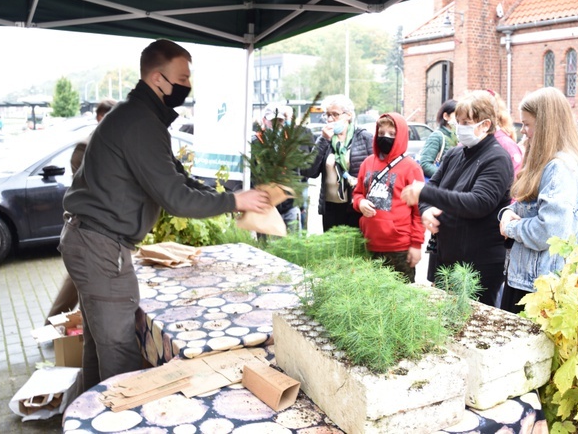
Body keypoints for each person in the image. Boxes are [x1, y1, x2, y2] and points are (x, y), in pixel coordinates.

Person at [59, 39, 271, 391]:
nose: (188, 86)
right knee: (120, 353)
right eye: (183, 78)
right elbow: (176, 199)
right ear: (158, 79)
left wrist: (230, 197)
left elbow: (177, 178)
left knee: (99, 344)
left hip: (91, 240)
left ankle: (86, 416)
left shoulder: (141, 117)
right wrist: (236, 203)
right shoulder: (139, 121)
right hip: (100, 246)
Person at [402, 90, 513, 306]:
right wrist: (425, 209)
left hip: (478, 265)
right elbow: (433, 187)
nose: (459, 127)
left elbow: (478, 203)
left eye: (466, 122)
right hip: (447, 256)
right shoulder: (455, 154)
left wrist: (425, 193)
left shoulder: (497, 159)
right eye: (458, 121)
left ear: (485, 125)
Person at [498, 87, 578, 314]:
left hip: (538, 287)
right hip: (529, 280)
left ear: (546, 125)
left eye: (527, 124)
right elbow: (527, 207)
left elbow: (549, 233)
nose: (523, 131)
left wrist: (510, 226)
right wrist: (506, 213)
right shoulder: (549, 163)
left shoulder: (560, 168)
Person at [44, 99, 117, 325]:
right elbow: (88, 188)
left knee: (81, 281)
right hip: (88, 227)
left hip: (108, 228)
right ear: (99, 118)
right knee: (76, 282)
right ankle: (53, 328)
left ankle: (62, 328)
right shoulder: (86, 147)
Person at [353, 113, 425, 282]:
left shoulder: (411, 168)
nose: (385, 137)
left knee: (401, 297)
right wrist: (360, 202)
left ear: (400, 136)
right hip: (369, 243)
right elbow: (357, 193)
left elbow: (419, 211)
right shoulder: (367, 163)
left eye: (392, 134)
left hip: (399, 247)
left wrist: (416, 244)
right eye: (381, 133)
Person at [301, 94, 373, 232]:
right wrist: (323, 140)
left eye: (335, 114)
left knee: (352, 248)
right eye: (327, 115)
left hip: (355, 205)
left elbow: (375, 170)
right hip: (330, 206)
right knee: (333, 249)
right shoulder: (325, 140)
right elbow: (309, 171)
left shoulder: (364, 138)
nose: (329, 119)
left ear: (349, 115)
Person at [253, 102, 302, 233]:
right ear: (264, 120)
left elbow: (297, 174)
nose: (276, 124)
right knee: (267, 249)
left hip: (289, 206)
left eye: (279, 120)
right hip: (265, 207)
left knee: (294, 248)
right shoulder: (255, 143)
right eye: (272, 120)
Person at [417, 100, 456, 179]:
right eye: (456, 115)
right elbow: (425, 164)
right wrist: (446, 177)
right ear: (446, 116)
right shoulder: (437, 136)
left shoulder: (459, 136)